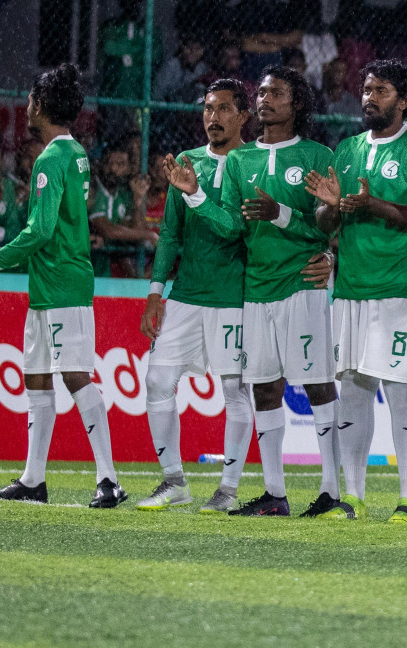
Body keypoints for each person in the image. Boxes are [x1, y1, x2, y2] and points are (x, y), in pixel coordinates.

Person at [0, 63, 126, 508]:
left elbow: (39, 232)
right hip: (49, 284)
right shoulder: (75, 153)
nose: (27, 105)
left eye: (32, 98)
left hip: (62, 286)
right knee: (36, 380)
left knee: (74, 376)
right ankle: (34, 480)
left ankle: (109, 479)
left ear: (43, 105)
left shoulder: (50, 159)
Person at [182, 65, 342, 517]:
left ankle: (331, 492)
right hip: (256, 290)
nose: (265, 99)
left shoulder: (315, 155)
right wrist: (196, 196)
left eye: (276, 93)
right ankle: (275, 493)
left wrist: (287, 214)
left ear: (296, 103)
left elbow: (326, 224)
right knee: (265, 390)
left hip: (301, 285)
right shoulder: (239, 160)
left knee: (316, 385)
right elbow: (234, 226)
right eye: (262, 93)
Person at [305, 59, 407, 523]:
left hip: (403, 283)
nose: (369, 97)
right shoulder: (346, 150)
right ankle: (353, 497)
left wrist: (370, 203)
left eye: (381, 91)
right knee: (354, 391)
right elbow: (328, 223)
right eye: (366, 89)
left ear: (403, 100)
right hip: (352, 287)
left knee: (403, 393)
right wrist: (330, 208)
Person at [137, 79, 258, 514]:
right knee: (156, 381)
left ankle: (227, 490)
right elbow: (170, 233)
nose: (213, 117)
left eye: (224, 109)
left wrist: (197, 193)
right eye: (208, 108)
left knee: (235, 392)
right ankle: (173, 481)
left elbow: (235, 228)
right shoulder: (187, 161)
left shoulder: (251, 162)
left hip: (232, 297)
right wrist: (156, 292)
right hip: (186, 294)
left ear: (244, 116)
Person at [98, 0, 159, 140]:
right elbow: (109, 47)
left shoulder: (148, 28)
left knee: (137, 137)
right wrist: (137, 49)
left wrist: (126, 49)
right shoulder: (112, 26)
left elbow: (155, 53)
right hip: (114, 95)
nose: (130, 2)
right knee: (111, 138)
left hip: (139, 96)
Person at [88, 138, 158, 276]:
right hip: (89, 264)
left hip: (106, 269)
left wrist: (137, 200)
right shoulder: (94, 190)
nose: (114, 169)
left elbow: (134, 231)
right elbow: (108, 231)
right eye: (110, 163)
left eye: (120, 164)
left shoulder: (123, 194)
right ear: (102, 163)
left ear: (128, 168)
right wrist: (149, 235)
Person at [231, 0, 290, 80]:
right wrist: (268, 46)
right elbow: (240, 42)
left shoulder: (281, 9)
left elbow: (290, 40)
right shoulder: (242, 8)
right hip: (249, 60)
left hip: (275, 59)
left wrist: (266, 40)